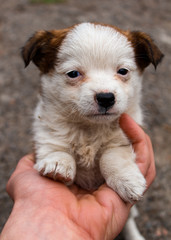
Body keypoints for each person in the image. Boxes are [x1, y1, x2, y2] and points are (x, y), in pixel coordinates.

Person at [0, 114, 156, 240]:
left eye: (122, 72)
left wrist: (117, 166)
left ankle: (129, 227)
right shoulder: (51, 117)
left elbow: (119, 146)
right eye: (74, 73)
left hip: (100, 191)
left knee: (124, 198)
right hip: (65, 201)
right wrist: (58, 155)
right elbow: (50, 143)